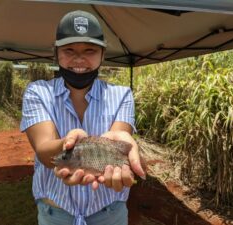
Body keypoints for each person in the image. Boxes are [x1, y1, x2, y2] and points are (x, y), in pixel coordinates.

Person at [20, 10, 146, 225]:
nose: (79, 59)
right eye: (69, 50)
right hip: (55, 214)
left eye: (90, 50)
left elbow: (118, 140)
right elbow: (44, 151)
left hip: (109, 213)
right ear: (56, 52)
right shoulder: (37, 92)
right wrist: (68, 144)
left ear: (103, 54)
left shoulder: (122, 94)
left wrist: (127, 151)